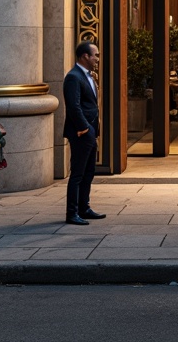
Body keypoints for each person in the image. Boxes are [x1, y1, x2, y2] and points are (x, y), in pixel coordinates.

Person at [63, 41, 105, 225]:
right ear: (84, 56)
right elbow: (74, 106)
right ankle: (72, 213)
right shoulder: (73, 77)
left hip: (90, 131)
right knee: (78, 174)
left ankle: (84, 208)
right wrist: (85, 129)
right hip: (81, 132)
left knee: (89, 172)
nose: (97, 58)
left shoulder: (88, 76)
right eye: (95, 55)